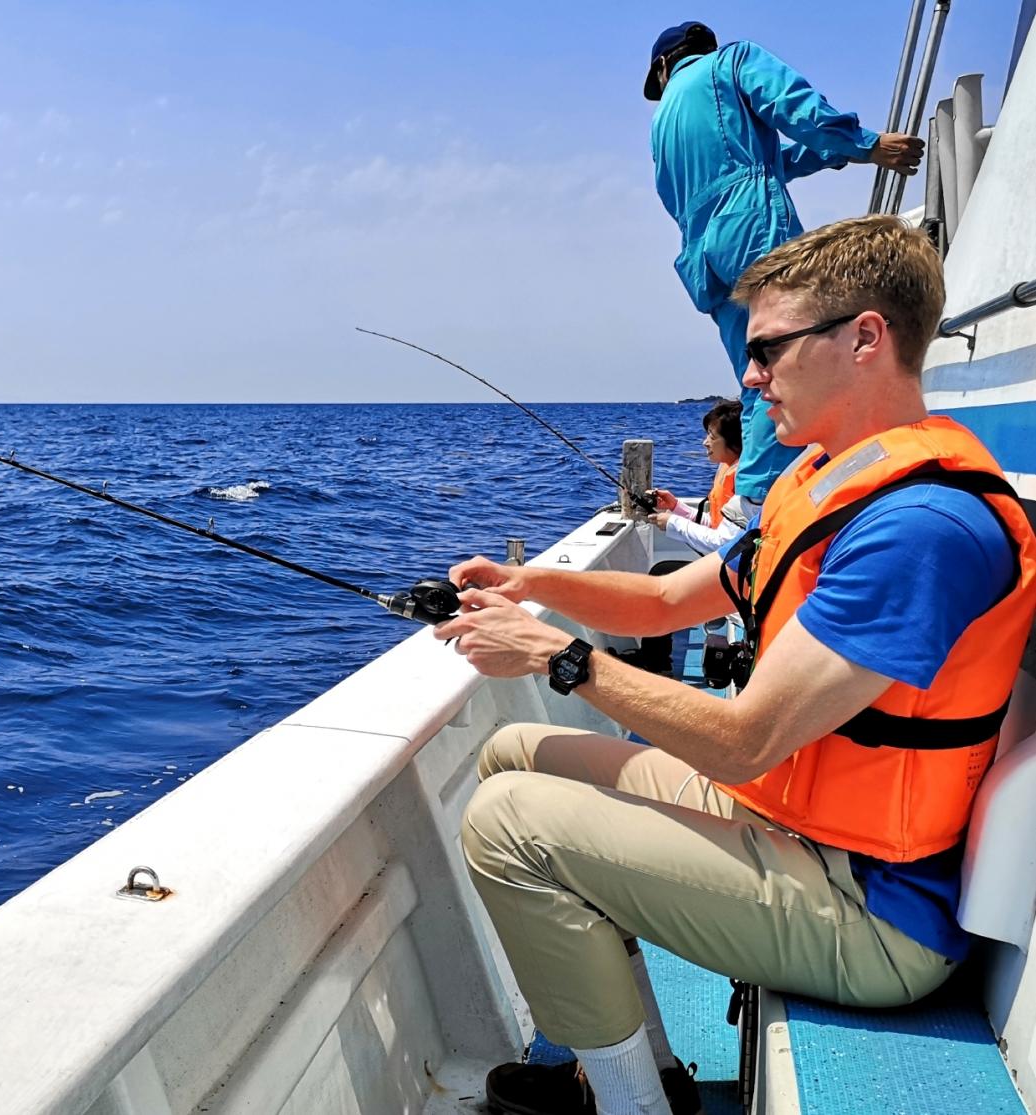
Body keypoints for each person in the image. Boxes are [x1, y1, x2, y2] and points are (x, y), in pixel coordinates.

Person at [436, 215, 1036, 1115]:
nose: (749, 378)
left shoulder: (919, 530)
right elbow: (674, 600)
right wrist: (532, 584)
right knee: (513, 753)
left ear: (865, 337)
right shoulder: (827, 482)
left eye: (768, 349)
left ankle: (633, 1107)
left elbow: (748, 738)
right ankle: (632, 1071)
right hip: (797, 825)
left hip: (870, 909)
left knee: (509, 820)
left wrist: (559, 658)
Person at [646, 21, 924, 505]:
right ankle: (759, 502)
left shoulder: (661, 121)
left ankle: (752, 502)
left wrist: (838, 157)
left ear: (665, 66)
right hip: (750, 227)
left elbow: (771, 159)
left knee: (757, 379)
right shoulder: (730, 63)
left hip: (702, 257)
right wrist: (867, 145)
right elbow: (795, 108)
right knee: (791, 369)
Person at [648, 398, 746, 554]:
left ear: (735, 441)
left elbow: (725, 544)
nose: (705, 442)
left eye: (712, 437)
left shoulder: (744, 481)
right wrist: (675, 507)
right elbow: (715, 524)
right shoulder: (727, 467)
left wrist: (673, 523)